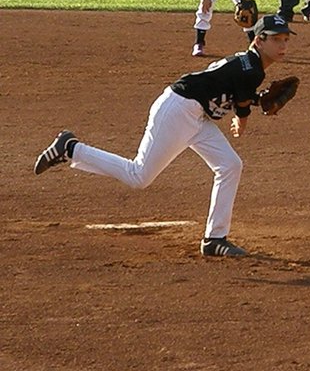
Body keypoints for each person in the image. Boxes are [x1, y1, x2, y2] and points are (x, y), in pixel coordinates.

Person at [33, 15, 296, 258]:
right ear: (259, 40)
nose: (282, 45)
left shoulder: (248, 65)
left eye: (285, 39)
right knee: (139, 176)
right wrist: (243, 119)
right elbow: (240, 107)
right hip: (178, 110)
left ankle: (215, 239)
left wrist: (253, 100)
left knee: (230, 165)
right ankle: (71, 149)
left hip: (196, 116)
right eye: (275, 39)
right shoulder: (252, 69)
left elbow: (230, 93)